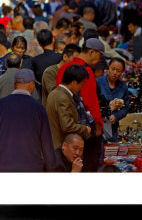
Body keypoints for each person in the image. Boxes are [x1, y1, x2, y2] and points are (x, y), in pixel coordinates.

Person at [0, 69, 57, 172]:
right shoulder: (38, 108)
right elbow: (46, 143)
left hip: (4, 167)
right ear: (32, 85)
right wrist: (51, 168)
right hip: (32, 168)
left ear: (14, 84)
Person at [56, 38, 105, 172]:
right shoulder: (86, 71)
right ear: (92, 52)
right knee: (87, 164)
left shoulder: (64, 67)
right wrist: (98, 124)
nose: (100, 60)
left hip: (66, 128)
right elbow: (90, 101)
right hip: (82, 128)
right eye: (99, 55)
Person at [46, 64, 91, 149]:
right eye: (82, 83)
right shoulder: (63, 97)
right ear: (74, 82)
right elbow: (67, 126)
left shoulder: (56, 93)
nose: (82, 87)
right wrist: (85, 129)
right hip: (60, 146)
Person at [96, 57, 129, 142]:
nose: (115, 73)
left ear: (122, 72)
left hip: (113, 127)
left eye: (118, 71)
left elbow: (126, 108)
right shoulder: (98, 82)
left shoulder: (123, 87)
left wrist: (116, 116)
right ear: (108, 68)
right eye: (113, 69)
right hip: (98, 125)